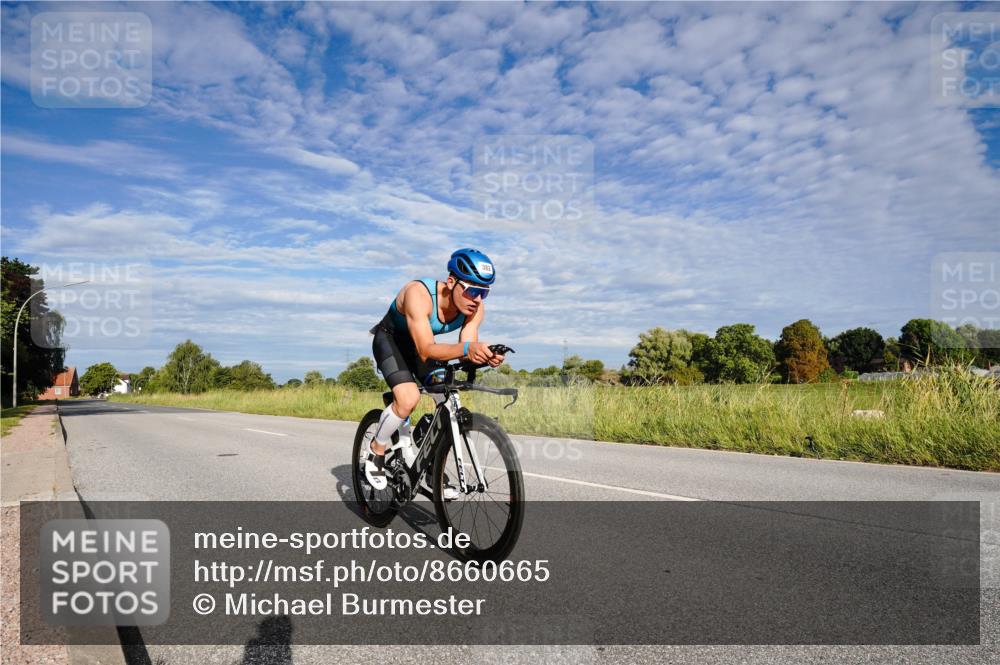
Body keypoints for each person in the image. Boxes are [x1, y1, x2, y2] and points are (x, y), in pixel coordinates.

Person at [365, 249, 505, 490]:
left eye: (485, 292)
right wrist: (468, 348)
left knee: (445, 396)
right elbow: (427, 350)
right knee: (409, 398)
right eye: (473, 290)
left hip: (424, 346)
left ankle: (430, 463)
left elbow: (466, 344)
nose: (478, 299)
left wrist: (484, 357)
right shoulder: (418, 294)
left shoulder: (475, 308)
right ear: (451, 282)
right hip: (391, 342)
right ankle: (377, 450)